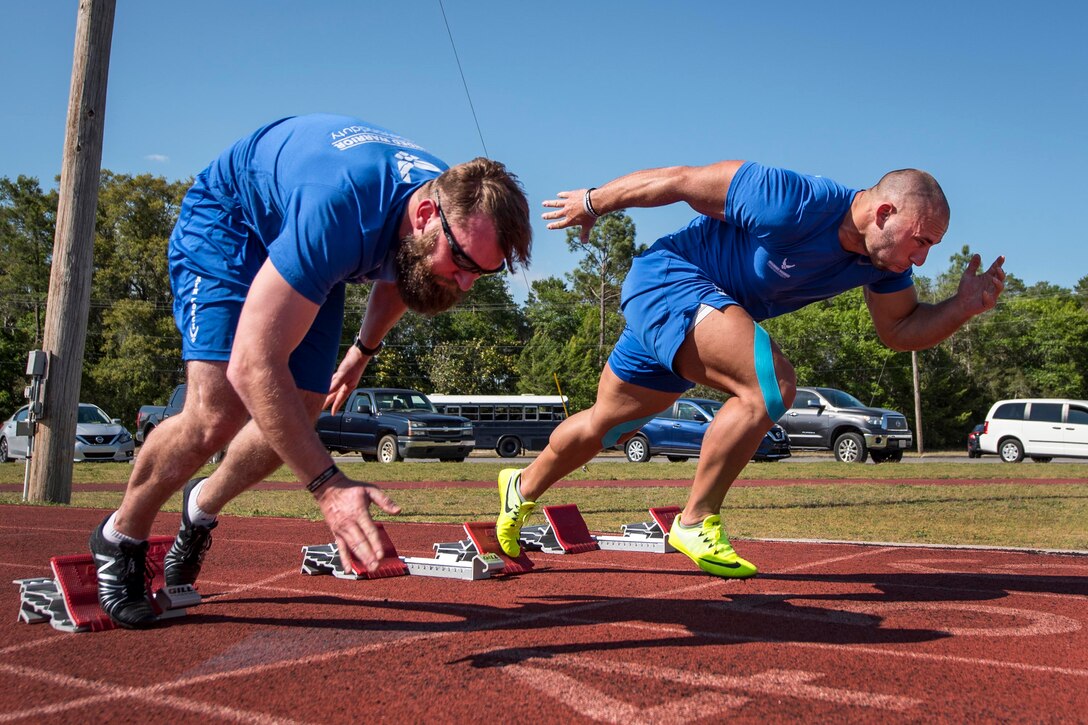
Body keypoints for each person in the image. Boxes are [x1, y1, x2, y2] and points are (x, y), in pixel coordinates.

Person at [89, 114, 531, 628]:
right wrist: (329, 487)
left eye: (483, 271)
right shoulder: (341, 211)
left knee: (302, 408)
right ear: (427, 214)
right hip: (233, 222)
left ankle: (199, 508)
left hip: (308, 230)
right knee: (217, 414)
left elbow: (401, 274)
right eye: (461, 262)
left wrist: (361, 353)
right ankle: (120, 535)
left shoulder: (430, 219)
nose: (465, 284)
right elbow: (253, 365)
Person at [495, 160, 1004, 578]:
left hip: (703, 317)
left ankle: (521, 486)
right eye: (920, 241)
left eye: (930, 248)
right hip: (670, 280)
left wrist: (961, 308)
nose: (919, 259)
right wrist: (592, 201)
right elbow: (680, 181)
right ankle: (695, 519)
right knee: (772, 385)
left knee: (608, 423)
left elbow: (899, 331)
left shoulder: (881, 263)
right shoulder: (791, 200)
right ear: (884, 211)